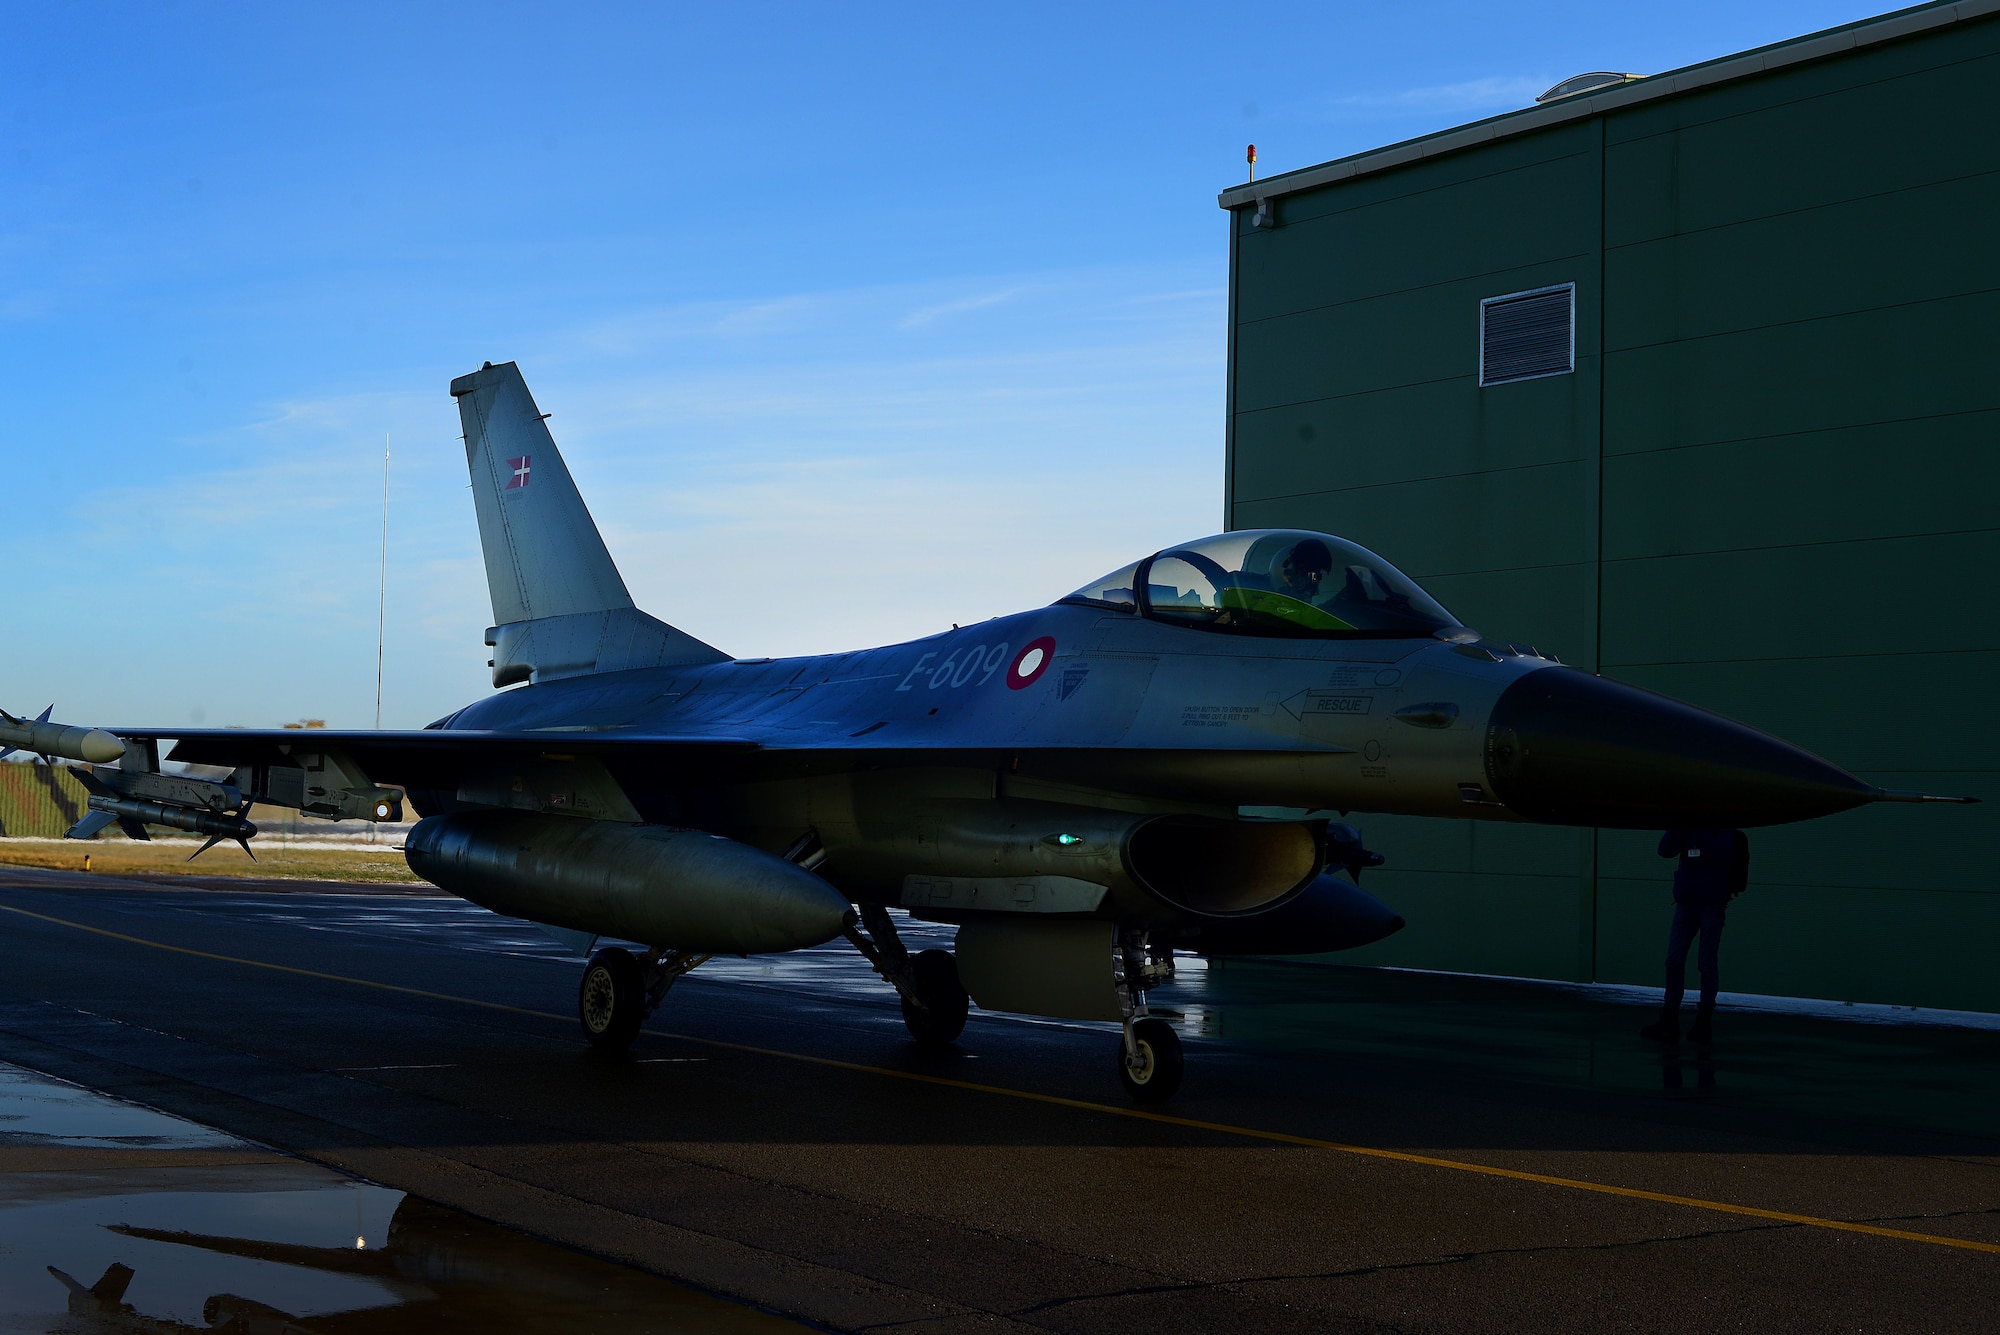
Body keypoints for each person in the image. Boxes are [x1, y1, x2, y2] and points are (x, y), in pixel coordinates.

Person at [1641, 828, 1749, 1045]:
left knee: (1706, 962)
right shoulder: (1687, 828)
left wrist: (1699, 831)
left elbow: (1719, 855)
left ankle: (1703, 1021)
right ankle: (1670, 1018)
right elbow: (1664, 850)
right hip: (1687, 903)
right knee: (1674, 960)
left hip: (1711, 904)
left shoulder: (1724, 831)